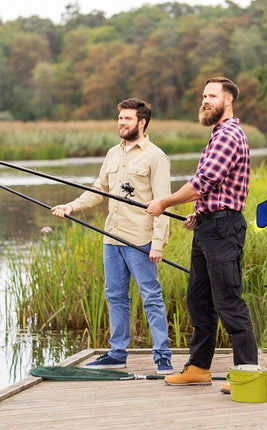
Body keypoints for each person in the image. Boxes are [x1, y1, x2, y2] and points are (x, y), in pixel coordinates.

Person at [146, 77, 258, 389]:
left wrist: (165, 202)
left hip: (224, 229)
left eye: (211, 96)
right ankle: (198, 367)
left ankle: (247, 375)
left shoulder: (228, 135)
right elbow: (212, 191)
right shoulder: (217, 134)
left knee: (228, 302)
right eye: (203, 96)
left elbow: (202, 183)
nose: (205, 101)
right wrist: (199, 212)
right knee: (198, 300)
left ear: (229, 100)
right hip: (210, 225)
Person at [51, 98, 173, 375]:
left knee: (151, 297)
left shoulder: (156, 157)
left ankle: (163, 356)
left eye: (127, 119)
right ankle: (117, 353)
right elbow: (98, 190)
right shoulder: (112, 154)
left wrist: (158, 243)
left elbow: (162, 203)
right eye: (120, 118)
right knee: (116, 296)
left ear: (141, 122)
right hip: (112, 237)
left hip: (140, 240)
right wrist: (72, 206)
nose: (121, 123)